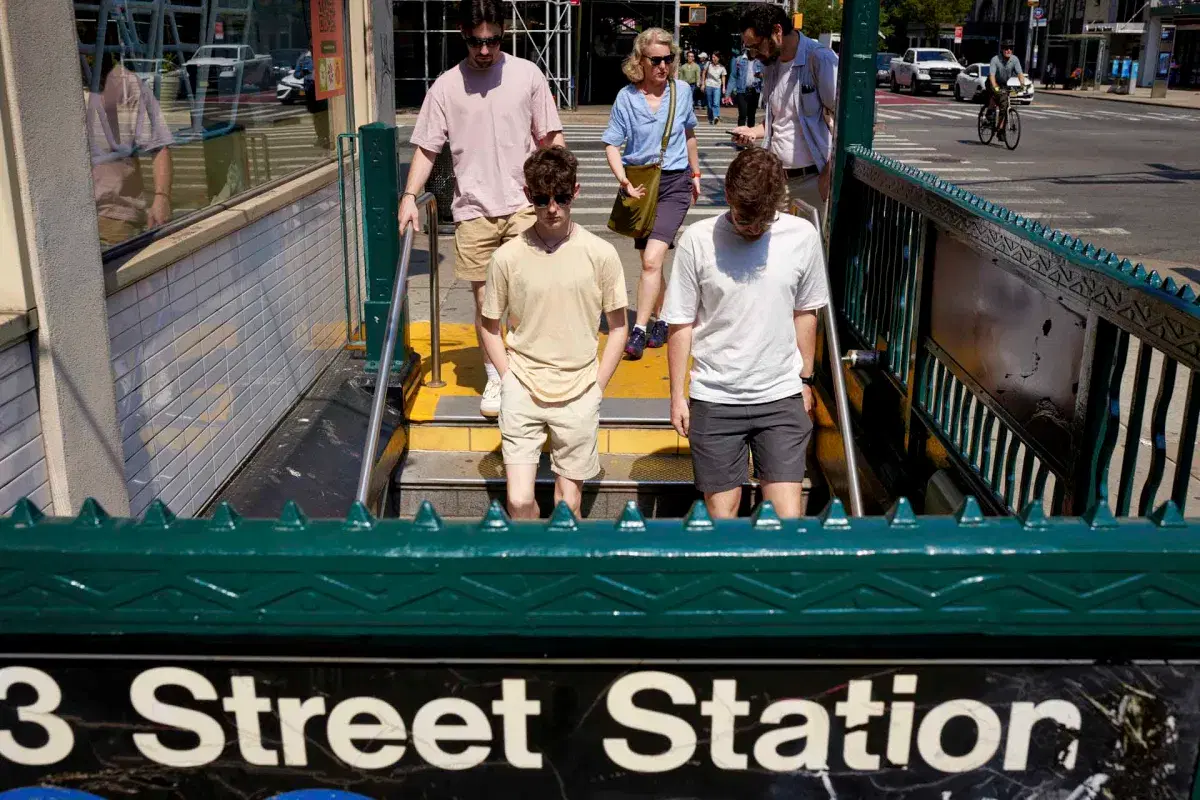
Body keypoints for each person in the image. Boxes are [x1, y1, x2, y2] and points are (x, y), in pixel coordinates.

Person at [402, 0, 565, 418]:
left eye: (493, 40)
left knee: (530, 295)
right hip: (472, 209)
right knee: (486, 303)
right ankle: (498, 376)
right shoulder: (445, 86)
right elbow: (426, 148)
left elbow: (550, 138)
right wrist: (408, 196)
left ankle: (530, 371)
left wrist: (559, 195)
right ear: (463, 35)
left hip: (524, 205)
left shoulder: (527, 75)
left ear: (503, 32)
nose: (486, 50)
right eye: (477, 42)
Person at [663, 147, 828, 519]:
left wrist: (805, 379)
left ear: (779, 205)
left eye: (762, 222)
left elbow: (806, 313)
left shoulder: (802, 236)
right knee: (723, 516)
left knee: (786, 516)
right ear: (729, 197)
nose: (752, 229)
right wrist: (677, 396)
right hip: (716, 396)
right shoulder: (698, 240)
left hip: (780, 395)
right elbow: (680, 323)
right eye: (743, 219)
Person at [478, 147, 629, 519]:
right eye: (542, 199)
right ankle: (530, 569)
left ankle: (564, 573)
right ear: (528, 196)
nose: (552, 208)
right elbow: (489, 324)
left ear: (574, 192)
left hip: (579, 386)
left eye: (561, 198)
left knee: (569, 504)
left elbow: (619, 327)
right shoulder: (507, 256)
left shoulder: (601, 254)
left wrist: (598, 385)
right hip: (524, 385)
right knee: (517, 500)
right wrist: (507, 377)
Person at [602, 27, 701, 361]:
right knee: (652, 262)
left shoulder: (682, 91)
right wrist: (623, 181)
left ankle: (640, 329)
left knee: (651, 260)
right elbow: (612, 144)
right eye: (656, 60)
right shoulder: (626, 98)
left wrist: (696, 172)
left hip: (675, 183)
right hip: (641, 186)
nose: (663, 66)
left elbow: (688, 134)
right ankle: (664, 318)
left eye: (668, 59)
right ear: (639, 61)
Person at [732, 3, 838, 232]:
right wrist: (753, 131)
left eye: (756, 46)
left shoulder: (819, 59)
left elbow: (845, 124)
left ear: (777, 31)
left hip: (813, 179)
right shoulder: (771, 64)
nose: (754, 55)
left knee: (810, 254)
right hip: (777, 180)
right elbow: (778, 119)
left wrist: (827, 177)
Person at [84, 58, 174, 248]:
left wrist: (161, 198)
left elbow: (159, 145)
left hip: (113, 216)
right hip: (66, 218)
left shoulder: (125, 83)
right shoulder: (54, 80)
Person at [987, 41, 1028, 132]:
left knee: (1004, 107)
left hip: (1003, 83)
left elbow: (1020, 74)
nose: (1008, 50)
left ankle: (1000, 129)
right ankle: (989, 111)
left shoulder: (1015, 60)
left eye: (1010, 48)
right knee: (994, 94)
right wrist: (995, 87)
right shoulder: (995, 59)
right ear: (1002, 50)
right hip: (992, 81)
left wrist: (1022, 84)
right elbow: (992, 76)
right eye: (1006, 48)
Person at [728, 49, 763, 129]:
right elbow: (733, 76)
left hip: (754, 90)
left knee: (751, 115)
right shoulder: (739, 60)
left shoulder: (759, 60)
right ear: (748, 50)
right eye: (752, 50)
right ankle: (741, 135)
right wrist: (728, 93)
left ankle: (749, 135)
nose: (754, 52)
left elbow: (765, 74)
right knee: (742, 114)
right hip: (742, 90)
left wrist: (761, 75)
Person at [701, 51, 728, 125]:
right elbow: (704, 73)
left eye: (715, 57)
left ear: (718, 58)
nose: (713, 59)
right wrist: (703, 84)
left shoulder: (722, 67)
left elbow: (723, 76)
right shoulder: (708, 64)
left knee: (716, 102)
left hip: (717, 86)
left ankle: (716, 116)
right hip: (708, 85)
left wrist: (723, 87)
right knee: (709, 104)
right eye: (712, 57)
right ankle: (710, 118)